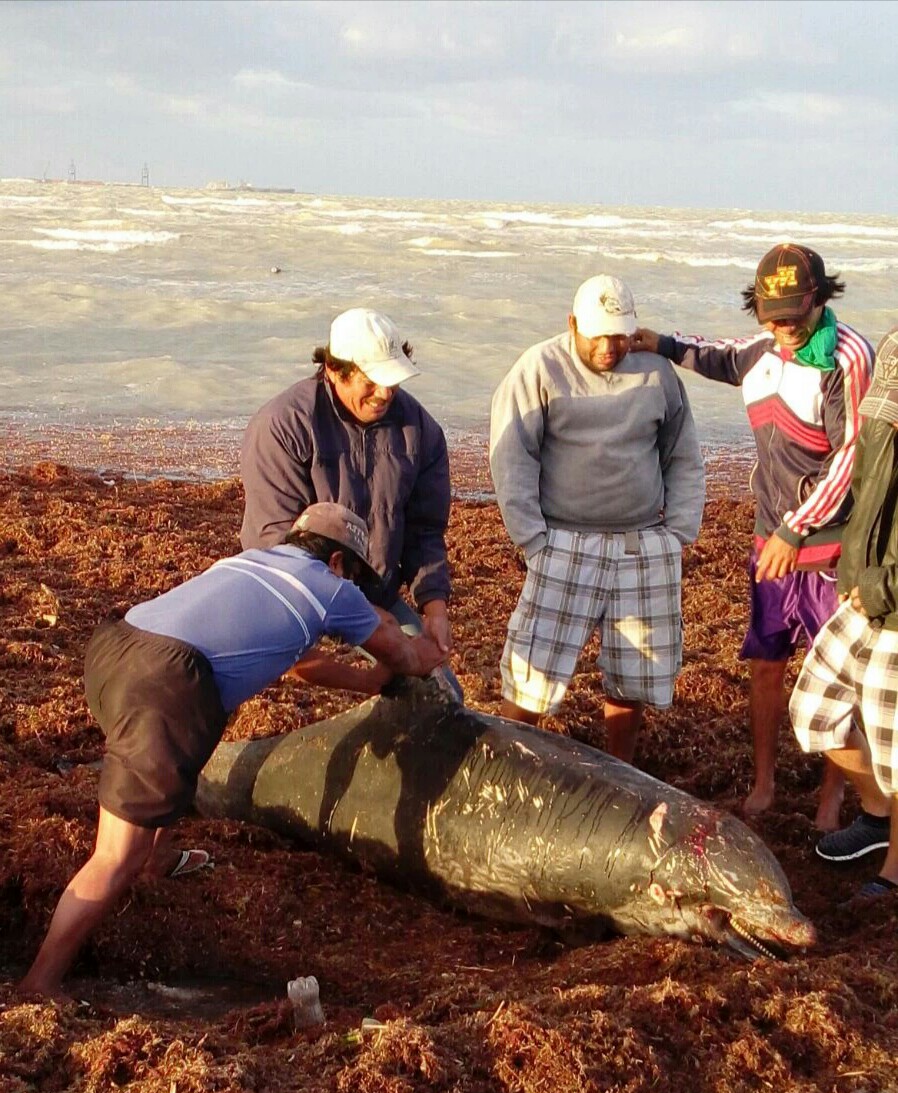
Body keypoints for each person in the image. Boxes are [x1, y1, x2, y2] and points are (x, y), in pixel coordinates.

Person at [17, 503, 447, 997]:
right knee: (115, 857)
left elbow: (303, 665)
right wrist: (432, 650)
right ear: (338, 563)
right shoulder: (331, 588)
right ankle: (39, 984)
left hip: (116, 648)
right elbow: (402, 651)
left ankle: (159, 859)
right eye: (353, 575)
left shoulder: (252, 565)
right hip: (165, 681)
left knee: (188, 734)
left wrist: (365, 682)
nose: (353, 587)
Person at [631, 244, 874, 826]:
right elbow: (717, 354)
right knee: (766, 660)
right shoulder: (763, 348)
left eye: (794, 311)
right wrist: (656, 342)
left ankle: (832, 796)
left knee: (837, 675)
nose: (784, 326)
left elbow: (853, 457)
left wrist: (798, 527)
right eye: (773, 314)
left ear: (819, 297)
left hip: (831, 545)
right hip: (773, 538)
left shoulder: (847, 357)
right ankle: (765, 780)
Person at [489, 274, 705, 763]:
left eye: (621, 334)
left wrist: (679, 533)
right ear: (572, 325)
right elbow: (511, 456)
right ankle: (499, 767)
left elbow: (683, 454)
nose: (611, 346)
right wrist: (532, 540)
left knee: (632, 679)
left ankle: (621, 769)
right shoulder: (539, 367)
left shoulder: (657, 372)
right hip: (563, 541)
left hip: (644, 541)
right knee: (531, 678)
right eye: (599, 334)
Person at [239, 306, 459, 696]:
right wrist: (353, 615)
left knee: (440, 691)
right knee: (282, 683)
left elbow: (425, 532)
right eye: (372, 380)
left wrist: (435, 609)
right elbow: (272, 540)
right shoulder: (283, 425)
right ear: (333, 371)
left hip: (376, 592)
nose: (385, 393)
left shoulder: (420, 430)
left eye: (393, 379)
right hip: (295, 593)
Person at [790, 328, 898, 902]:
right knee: (814, 709)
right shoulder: (893, 346)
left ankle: (895, 872)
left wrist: (882, 585)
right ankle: (878, 813)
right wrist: (855, 567)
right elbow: (867, 468)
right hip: (864, 585)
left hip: (892, 599)